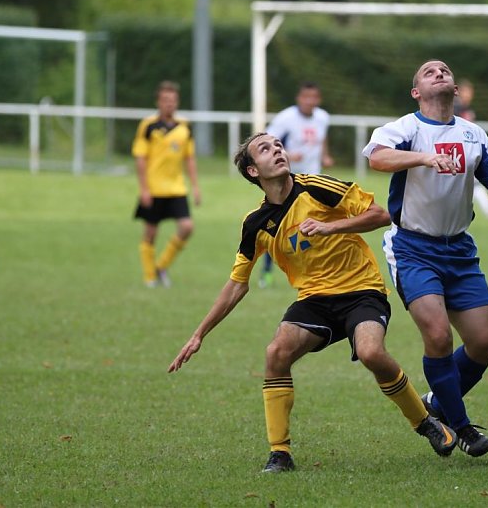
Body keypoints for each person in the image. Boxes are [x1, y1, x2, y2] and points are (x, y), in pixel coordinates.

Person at [167, 132, 457, 473]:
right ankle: (280, 454)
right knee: (276, 353)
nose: (276, 150)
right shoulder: (256, 224)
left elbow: (380, 216)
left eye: (278, 145)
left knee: (371, 353)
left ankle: (425, 423)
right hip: (315, 300)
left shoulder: (316, 187)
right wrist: (199, 334)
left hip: (361, 289)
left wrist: (329, 227)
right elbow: (236, 285)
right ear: (252, 172)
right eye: (265, 149)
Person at [362, 60, 488, 457]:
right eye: (429, 72)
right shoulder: (406, 129)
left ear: (456, 88)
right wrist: (423, 158)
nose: (439, 73)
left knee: (484, 343)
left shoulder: (473, 134)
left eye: (445, 71)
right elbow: (376, 158)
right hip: (412, 247)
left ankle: (438, 403)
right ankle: (461, 427)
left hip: (459, 250)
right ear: (416, 92)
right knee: (439, 336)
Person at [258, 82, 334, 288]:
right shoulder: (286, 118)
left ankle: (316, 270)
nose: (310, 101)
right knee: (276, 226)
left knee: (316, 224)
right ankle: (266, 271)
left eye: (314, 97)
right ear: (299, 98)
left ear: (318, 99)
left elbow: (322, 139)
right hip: (287, 181)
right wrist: (288, 155)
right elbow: (265, 142)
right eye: (306, 97)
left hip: (313, 181)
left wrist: (325, 155)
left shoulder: (322, 117)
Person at [132, 81, 201, 288]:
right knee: (151, 233)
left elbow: (189, 158)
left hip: (176, 188)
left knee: (187, 227)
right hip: (154, 188)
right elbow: (140, 158)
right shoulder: (148, 126)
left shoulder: (184, 127)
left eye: (172, 100)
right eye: (165, 100)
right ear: (158, 102)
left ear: (177, 102)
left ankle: (161, 266)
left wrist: (195, 186)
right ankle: (149, 276)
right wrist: (144, 188)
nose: (169, 104)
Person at [454, 79, 488, 219]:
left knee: (472, 182)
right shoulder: (455, 108)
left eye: (471, 92)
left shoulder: (466, 109)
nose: (469, 95)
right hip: (457, 150)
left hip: (467, 149)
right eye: (467, 91)